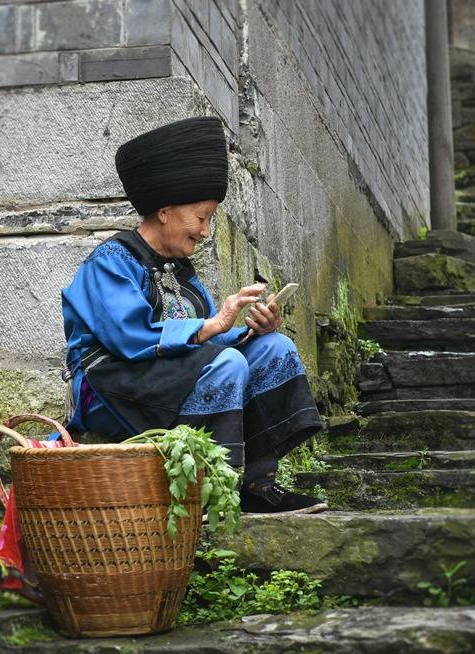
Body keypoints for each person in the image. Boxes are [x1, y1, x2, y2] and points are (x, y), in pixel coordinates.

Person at [60, 116, 327, 515]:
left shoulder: (181, 270)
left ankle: (257, 484)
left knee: (274, 348)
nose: (205, 231)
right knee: (226, 365)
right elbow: (131, 338)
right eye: (202, 217)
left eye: (209, 220)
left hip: (167, 377)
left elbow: (205, 342)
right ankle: (208, 491)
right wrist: (213, 326)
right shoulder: (111, 262)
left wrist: (248, 332)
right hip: (110, 386)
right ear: (165, 211)